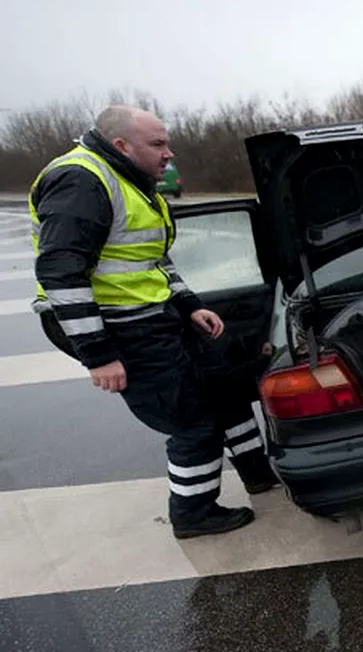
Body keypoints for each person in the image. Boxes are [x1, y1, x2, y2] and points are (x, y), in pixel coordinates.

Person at [29, 105, 280, 539]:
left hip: (151, 316)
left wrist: (188, 306)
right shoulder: (82, 181)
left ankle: (259, 473)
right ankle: (193, 514)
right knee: (191, 420)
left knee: (224, 388)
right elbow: (60, 275)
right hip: (116, 328)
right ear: (122, 145)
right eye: (158, 144)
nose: (170, 153)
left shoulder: (132, 180)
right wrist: (100, 356)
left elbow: (151, 261)